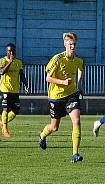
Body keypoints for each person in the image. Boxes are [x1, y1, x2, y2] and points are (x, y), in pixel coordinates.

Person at [38, 32, 85, 163]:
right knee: (54, 127)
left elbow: (81, 68)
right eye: (70, 44)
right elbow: (48, 78)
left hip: (71, 95)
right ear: (65, 44)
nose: (72, 47)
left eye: (74, 44)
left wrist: (79, 84)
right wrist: (63, 82)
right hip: (56, 97)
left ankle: (75, 153)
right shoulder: (57, 59)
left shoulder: (78, 59)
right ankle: (42, 135)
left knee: (76, 121)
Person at [0, 43, 29, 138]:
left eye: (13, 51)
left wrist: (26, 85)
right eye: (9, 51)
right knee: (6, 109)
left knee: (15, 111)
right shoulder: (2, 61)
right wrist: (10, 62)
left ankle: (2, 122)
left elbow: (21, 74)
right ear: (6, 51)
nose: (11, 52)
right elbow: (2, 72)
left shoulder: (18, 62)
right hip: (5, 88)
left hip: (15, 89)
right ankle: (5, 129)